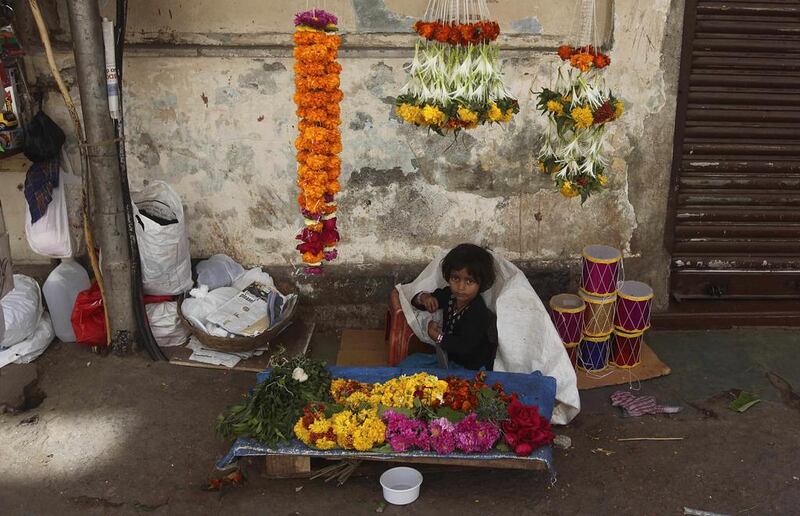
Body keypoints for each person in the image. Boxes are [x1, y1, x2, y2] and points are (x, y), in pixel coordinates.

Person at [408, 243, 497, 370]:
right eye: (455, 278)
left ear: (480, 283)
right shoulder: (449, 295)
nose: (461, 287)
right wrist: (425, 298)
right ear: (448, 276)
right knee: (410, 364)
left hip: (470, 367)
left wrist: (438, 337)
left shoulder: (478, 312)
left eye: (469, 281)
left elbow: (464, 347)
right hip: (447, 358)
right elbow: (417, 303)